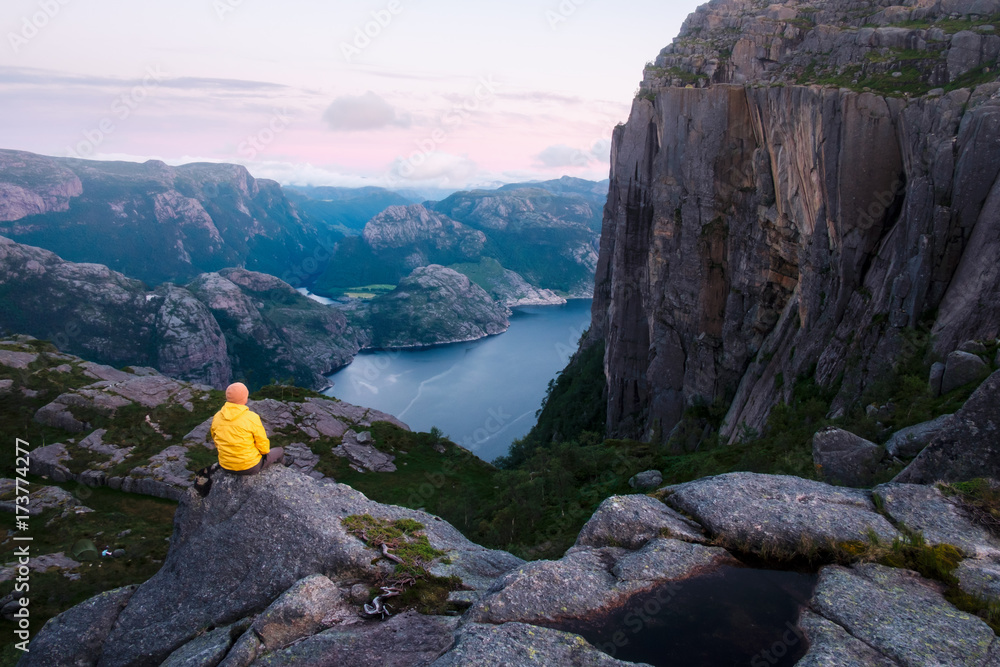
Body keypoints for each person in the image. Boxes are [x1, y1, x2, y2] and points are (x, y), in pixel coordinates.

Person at [211, 382, 284, 475]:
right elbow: (263, 446)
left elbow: (216, 440)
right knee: (279, 451)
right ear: (244, 398)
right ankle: (283, 467)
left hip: (226, 466)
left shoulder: (217, 417)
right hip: (249, 467)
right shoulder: (251, 417)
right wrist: (263, 454)